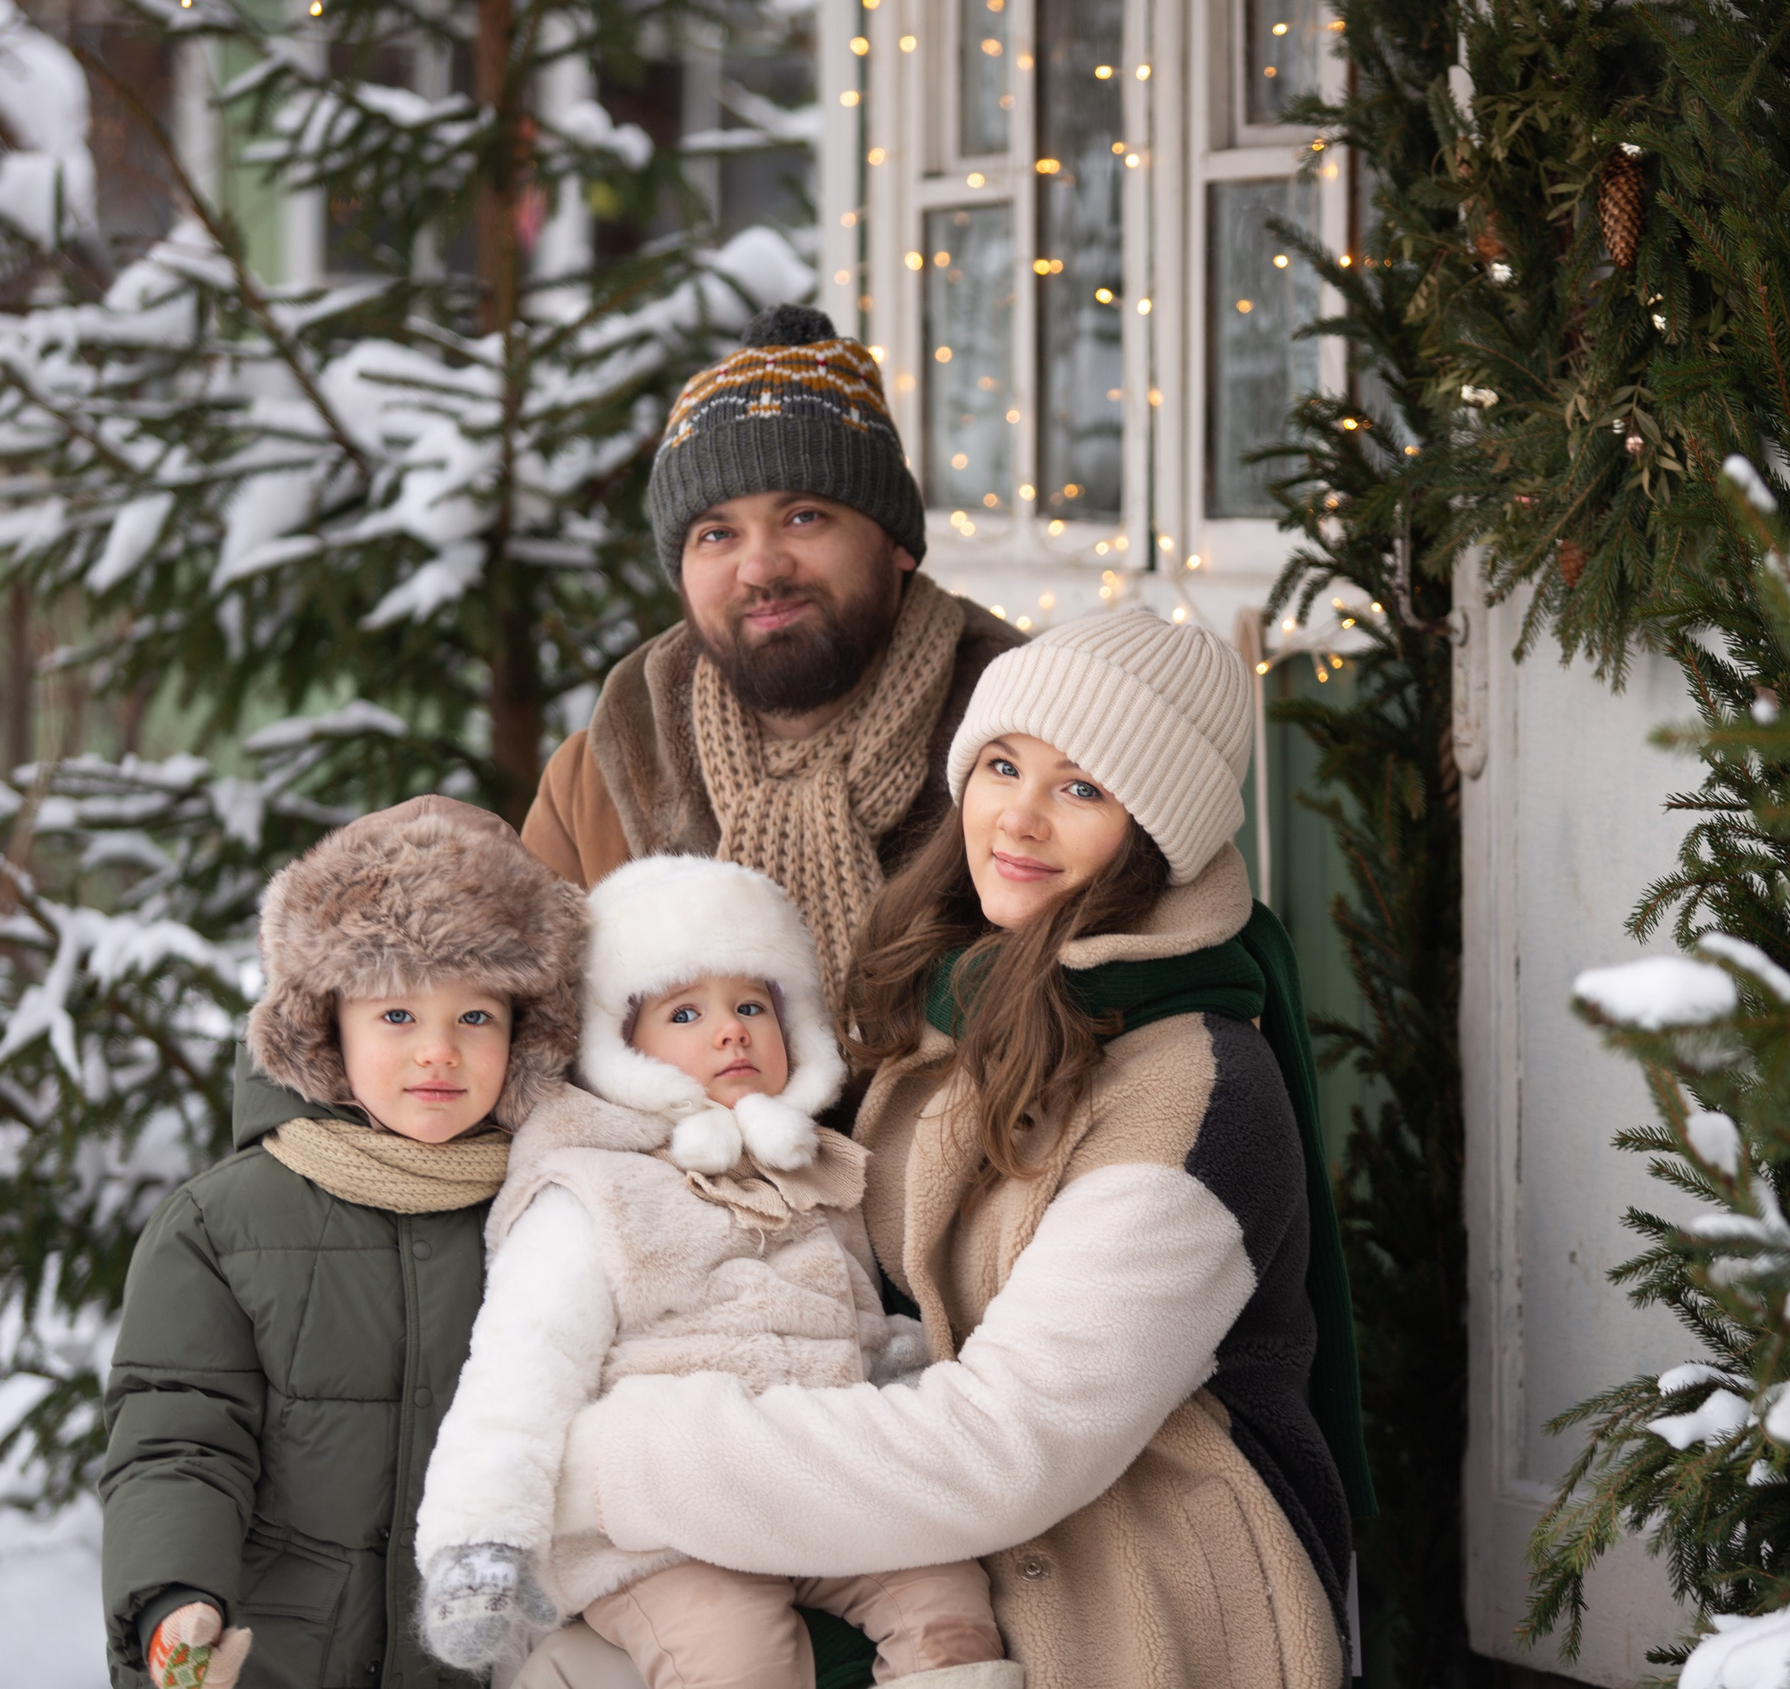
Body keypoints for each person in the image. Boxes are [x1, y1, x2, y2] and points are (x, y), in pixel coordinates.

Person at [518, 612, 1376, 1689]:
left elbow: (1005, 1447)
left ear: (1154, 832)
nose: (1015, 818)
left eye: (1080, 789)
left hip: (1135, 1612)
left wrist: (598, 1457)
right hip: (939, 1566)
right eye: (1001, 765)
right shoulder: (953, 1001)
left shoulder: (1196, 1093)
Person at [411, 855, 1017, 1689]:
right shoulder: (594, 1190)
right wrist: (478, 1538)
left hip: (818, 1489)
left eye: (751, 1005)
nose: (730, 1029)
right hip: (660, 1533)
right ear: (620, 1047)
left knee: (944, 1599)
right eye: (686, 1010)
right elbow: (522, 1365)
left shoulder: (815, 1174)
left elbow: (847, 1314)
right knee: (740, 1657)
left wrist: (892, 1368)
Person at [98, 798, 585, 1689]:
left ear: (527, 1033)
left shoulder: (561, 1208)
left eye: (475, 1017)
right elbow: (182, 1437)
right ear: (328, 1024)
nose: (437, 1051)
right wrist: (173, 1596)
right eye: (398, 1015)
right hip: (273, 1654)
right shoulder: (223, 1225)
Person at [520, 303, 1023, 1002]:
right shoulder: (603, 773)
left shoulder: (1029, 743)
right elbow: (524, 1029)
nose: (759, 568)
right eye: (716, 534)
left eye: (804, 516)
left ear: (897, 541)